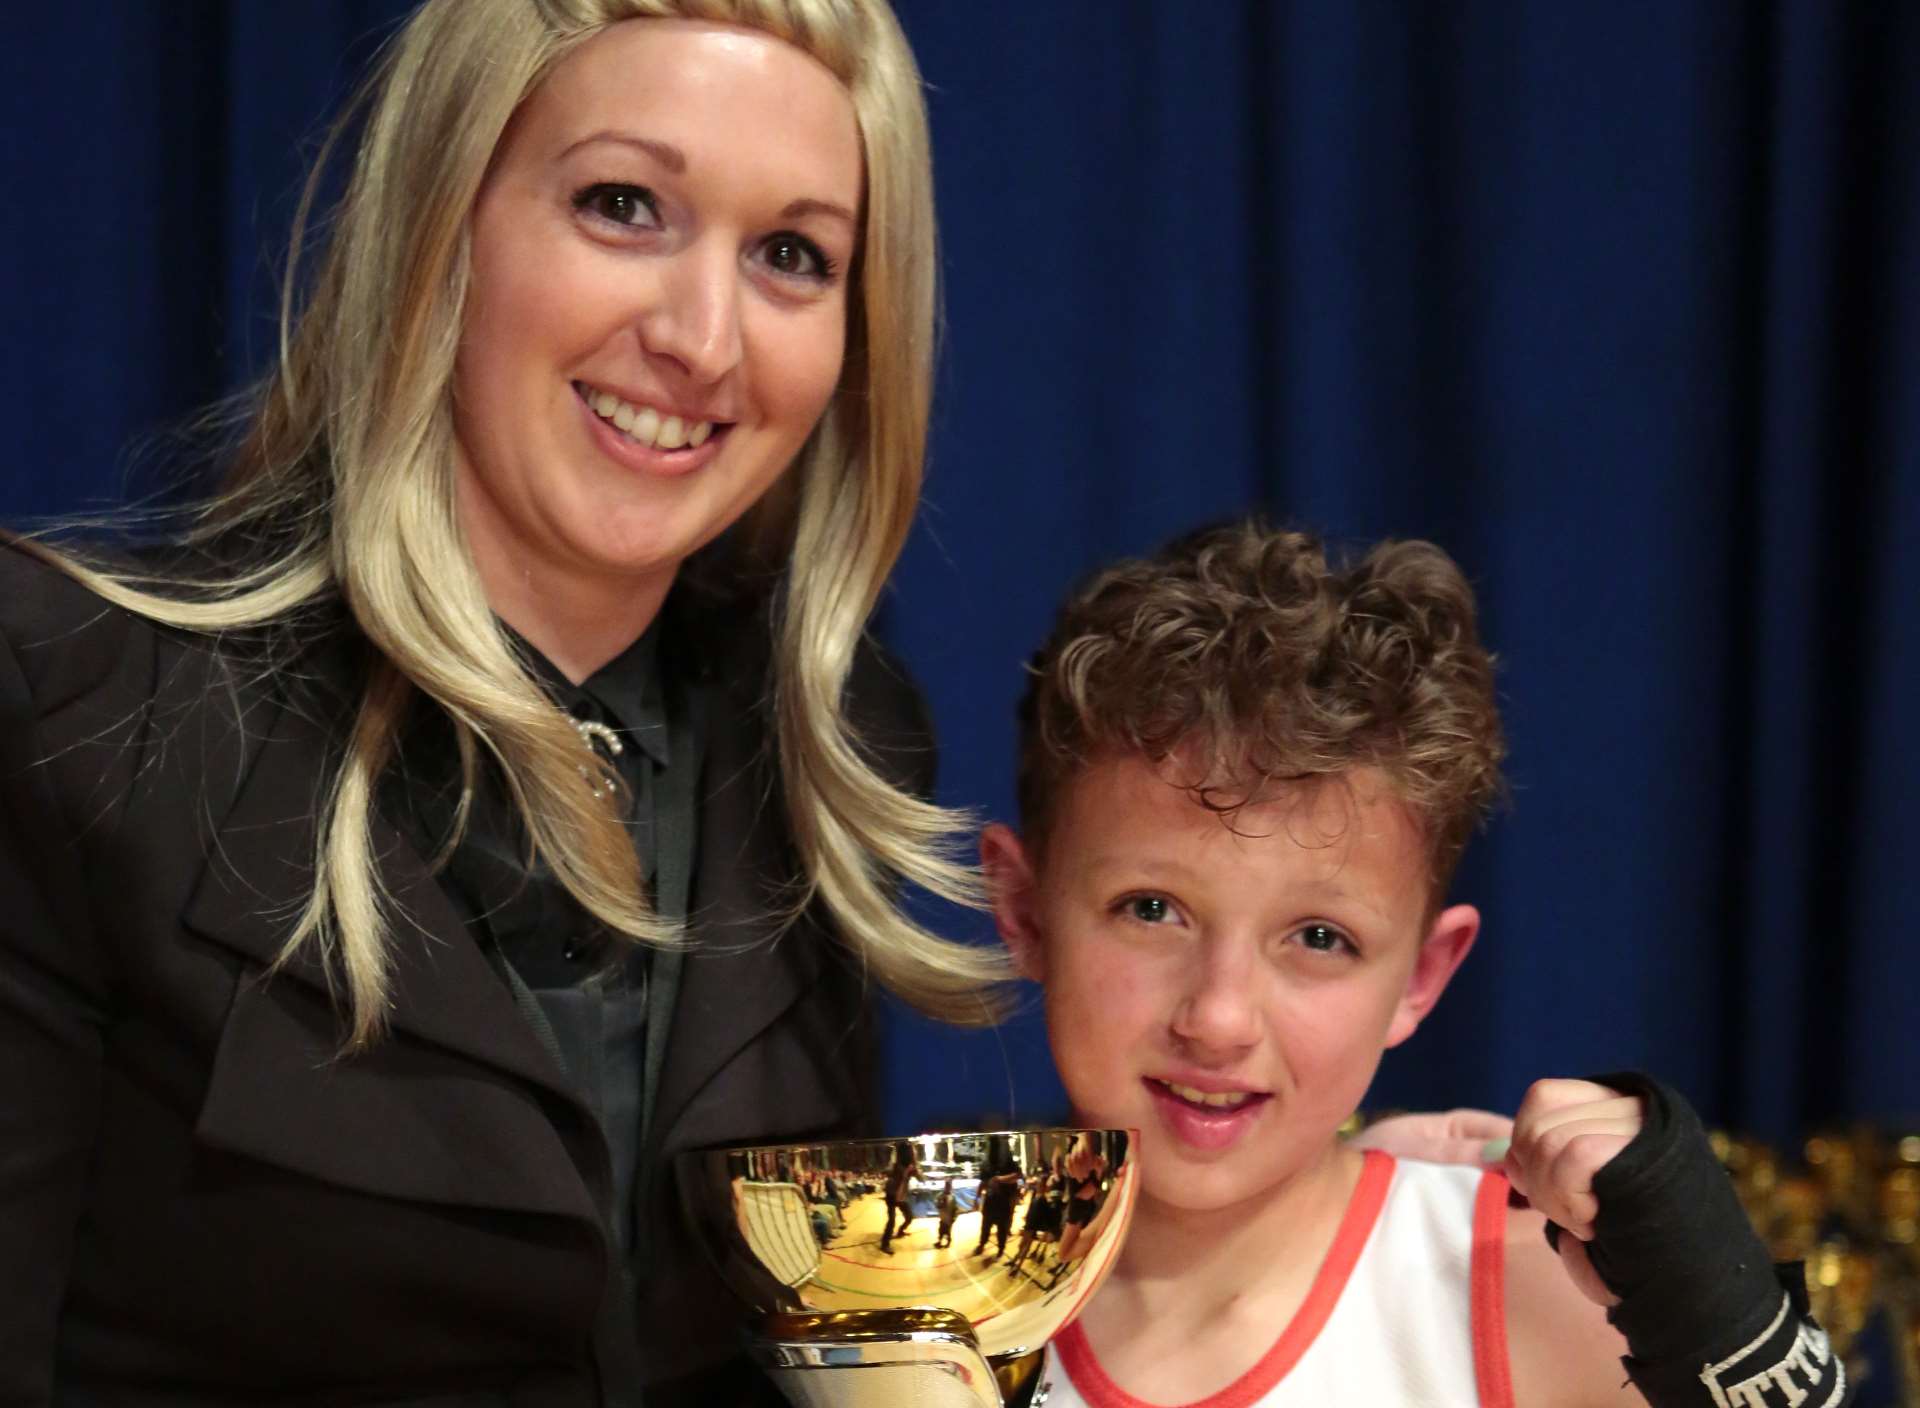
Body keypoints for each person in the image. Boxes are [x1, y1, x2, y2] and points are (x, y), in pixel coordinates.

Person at [0, 2, 1009, 1404]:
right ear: (441, 220)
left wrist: (1342, 1212)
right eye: (622, 206)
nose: (705, 340)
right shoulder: (69, 703)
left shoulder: (829, 748)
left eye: (792, 255)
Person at [983, 523, 1844, 1407]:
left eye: (1320, 937)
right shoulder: (914, 1298)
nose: (1218, 1018)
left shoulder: (1526, 1295)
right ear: (1023, 910)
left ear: (1423, 977)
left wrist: (1716, 1319)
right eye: (1151, 910)